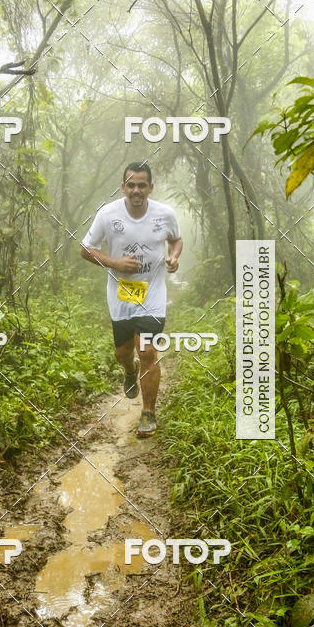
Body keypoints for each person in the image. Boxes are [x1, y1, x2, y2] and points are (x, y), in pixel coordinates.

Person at [80, 162, 183, 437]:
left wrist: (174, 257)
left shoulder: (165, 214)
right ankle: (129, 371)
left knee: (147, 350)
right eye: (131, 185)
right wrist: (115, 262)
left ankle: (148, 412)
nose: (136, 190)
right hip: (121, 294)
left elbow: (176, 240)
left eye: (142, 185)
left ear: (151, 187)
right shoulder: (107, 214)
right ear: (123, 186)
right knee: (123, 353)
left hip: (153, 293)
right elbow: (86, 249)